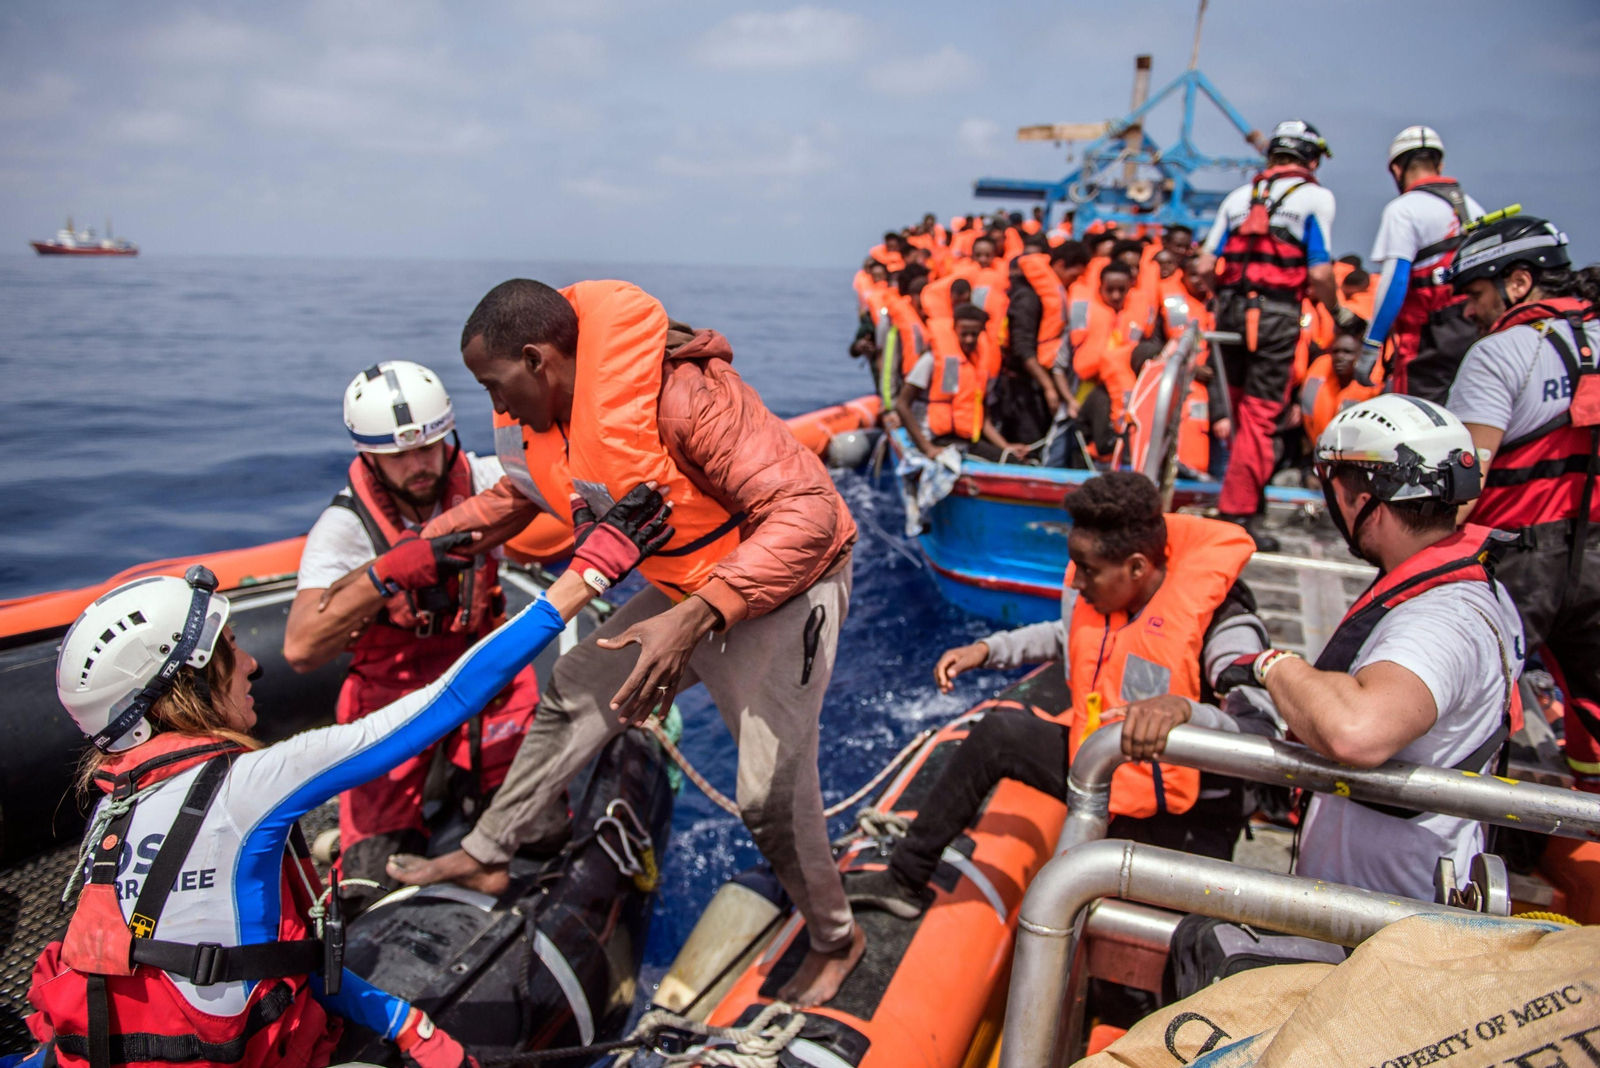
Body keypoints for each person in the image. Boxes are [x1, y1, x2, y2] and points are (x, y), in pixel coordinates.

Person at [11, 486, 673, 1068]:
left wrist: (405, 1024)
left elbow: (259, 963)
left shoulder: (113, 807)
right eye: (229, 652)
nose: (251, 666)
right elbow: (443, 703)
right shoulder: (248, 788)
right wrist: (586, 576)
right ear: (183, 686)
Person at [378, 278, 863, 1007]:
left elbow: (808, 514)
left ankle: (836, 938)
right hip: (684, 590)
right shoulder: (546, 422)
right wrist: (425, 542)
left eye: (496, 385)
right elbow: (520, 493)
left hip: (787, 590)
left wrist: (698, 614)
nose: (497, 407)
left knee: (769, 797)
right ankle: (487, 854)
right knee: (575, 688)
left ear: (539, 360)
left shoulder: (686, 395)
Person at [1122, 395, 1523, 901]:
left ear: (1360, 501)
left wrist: (1271, 664)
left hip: (1387, 923)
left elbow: (1356, 731)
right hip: (1376, 900)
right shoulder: (1464, 583)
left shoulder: (1442, 618)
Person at [843, 472, 1269, 917]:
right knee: (999, 732)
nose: (1077, 583)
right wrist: (986, 650)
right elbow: (1070, 636)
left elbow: (1260, 724)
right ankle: (905, 879)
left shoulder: (1226, 626)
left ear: (1138, 567)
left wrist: (1185, 712)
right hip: (1105, 771)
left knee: (1144, 948)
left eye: (1089, 571)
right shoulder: (1107, 595)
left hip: (1185, 812)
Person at [278, 362, 539, 910]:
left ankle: (474, 817)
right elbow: (300, 648)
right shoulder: (346, 529)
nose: (419, 466)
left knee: (541, 835)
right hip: (392, 690)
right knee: (370, 881)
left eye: (430, 447)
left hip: (483, 668)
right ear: (369, 457)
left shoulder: (491, 479)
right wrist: (388, 572)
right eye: (399, 456)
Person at [1443, 215, 1600, 793]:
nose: (1467, 310)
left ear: (1516, 283)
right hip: (1597, 553)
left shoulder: (1499, 354)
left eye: (1476, 293)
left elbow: (1464, 483)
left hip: (1520, 562)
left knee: (1470, 701)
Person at [1198, 119, 1346, 552]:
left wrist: (1223, 300)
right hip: (1278, 318)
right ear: (1312, 159)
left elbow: (1206, 265)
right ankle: (1238, 513)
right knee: (1260, 419)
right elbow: (1319, 271)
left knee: (1238, 413)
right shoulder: (1315, 198)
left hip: (1230, 313)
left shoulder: (1238, 197)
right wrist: (1335, 312)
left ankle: (1241, 500)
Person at [1358, 126, 1484, 401]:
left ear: (1396, 169)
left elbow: (1395, 280)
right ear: (1439, 163)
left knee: (1419, 423)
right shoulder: (1473, 208)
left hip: (1427, 343)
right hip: (1474, 332)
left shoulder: (1403, 209)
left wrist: (1371, 344)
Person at [892, 302, 1020, 463]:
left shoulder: (976, 363)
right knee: (1008, 462)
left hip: (962, 439)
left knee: (1012, 458)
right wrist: (927, 448)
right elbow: (902, 405)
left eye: (974, 334)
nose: (969, 339)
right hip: (934, 439)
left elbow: (982, 418)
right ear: (954, 330)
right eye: (964, 334)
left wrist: (1006, 447)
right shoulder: (931, 360)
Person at [997, 240, 1091, 450]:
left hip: (1035, 384)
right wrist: (1049, 388)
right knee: (1029, 443)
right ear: (1059, 266)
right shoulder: (1027, 298)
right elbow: (1022, 348)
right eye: (1073, 276)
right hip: (1018, 390)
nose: (1072, 283)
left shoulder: (1048, 294)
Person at [1300, 321, 1381, 446]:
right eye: (1336, 351)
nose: (1340, 357)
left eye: (1347, 352)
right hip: (1317, 448)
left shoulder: (1377, 385)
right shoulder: (1319, 369)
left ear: (1361, 355)